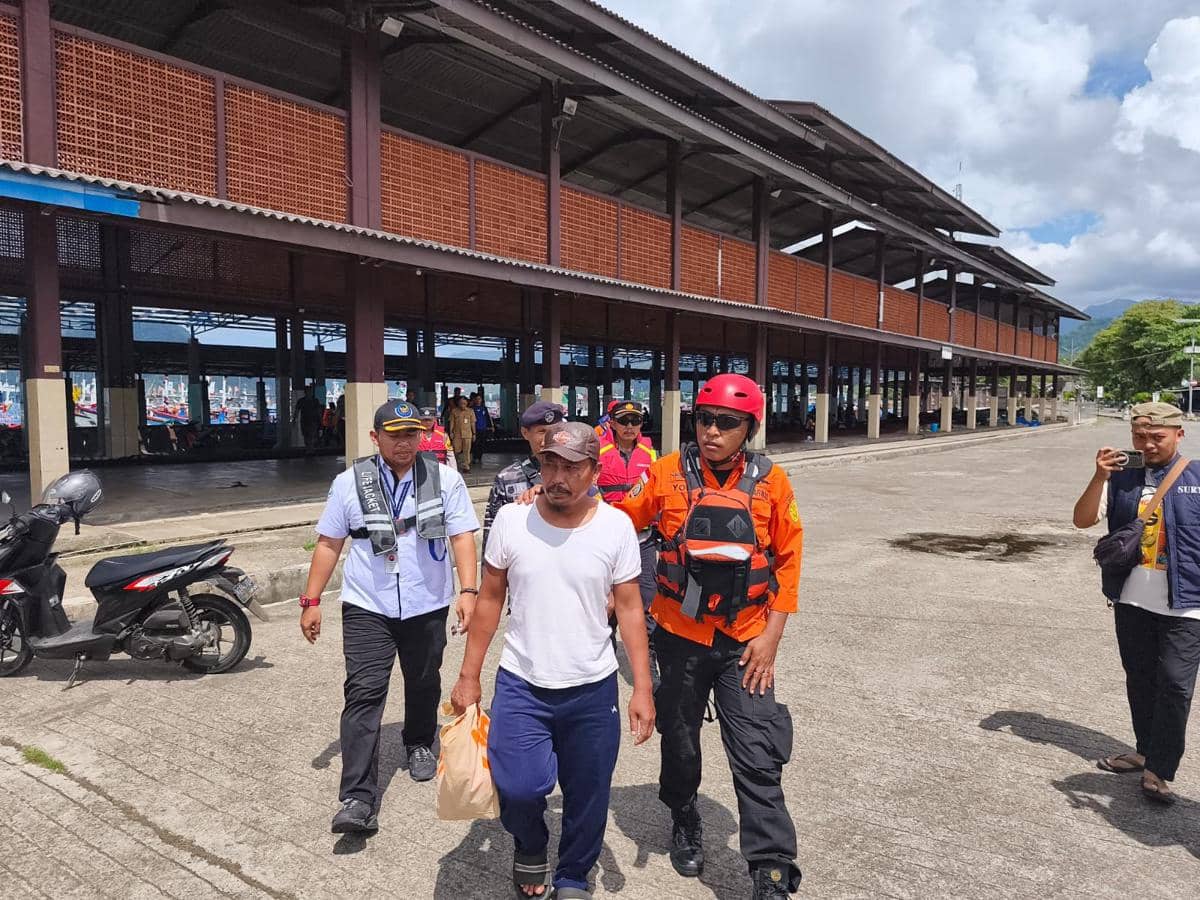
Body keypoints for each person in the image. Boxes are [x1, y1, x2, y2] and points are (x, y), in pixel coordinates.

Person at [616, 373, 804, 898]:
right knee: (679, 743)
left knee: (759, 752)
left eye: (727, 422)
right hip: (678, 636)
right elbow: (616, 518)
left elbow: (789, 562)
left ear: (749, 428)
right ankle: (683, 813)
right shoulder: (665, 473)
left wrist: (771, 638)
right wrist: (553, 496)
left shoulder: (773, 482)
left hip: (746, 643)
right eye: (703, 419)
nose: (712, 431)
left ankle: (770, 869)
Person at [450, 421, 655, 899]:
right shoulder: (512, 521)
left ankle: (571, 875)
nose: (558, 477)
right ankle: (530, 842)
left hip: (593, 685)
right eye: (549, 464)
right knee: (518, 786)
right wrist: (468, 676)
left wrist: (642, 687)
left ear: (594, 471)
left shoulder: (616, 527)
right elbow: (489, 600)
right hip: (523, 682)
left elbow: (628, 608)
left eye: (572, 467)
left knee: (588, 794)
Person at [298, 400, 480, 834]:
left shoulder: (444, 480)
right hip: (367, 605)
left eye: (412, 434)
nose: (405, 443)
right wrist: (311, 599)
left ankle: (419, 741)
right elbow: (329, 543)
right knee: (363, 692)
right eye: (395, 434)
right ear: (375, 437)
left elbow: (462, 536)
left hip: (426, 602)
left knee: (423, 679)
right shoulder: (348, 483)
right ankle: (357, 798)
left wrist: (468, 590)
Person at [1072, 401, 1200, 805]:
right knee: (1140, 679)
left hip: (1188, 604)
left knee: (1176, 687)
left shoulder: (1196, 477)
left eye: (1156, 437)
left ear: (1179, 434)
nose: (1147, 444)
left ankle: (1159, 770)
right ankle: (1146, 751)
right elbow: (1082, 519)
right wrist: (1098, 477)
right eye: (1139, 437)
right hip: (1131, 600)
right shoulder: (1123, 478)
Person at [596, 400, 660, 677]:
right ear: (611, 422)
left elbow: (659, 491)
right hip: (605, 541)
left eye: (636, 421)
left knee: (647, 604)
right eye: (624, 421)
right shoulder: (596, 450)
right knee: (604, 606)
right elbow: (587, 488)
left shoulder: (650, 452)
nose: (630, 426)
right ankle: (603, 665)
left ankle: (649, 668)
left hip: (643, 541)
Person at [481, 400, 563, 554]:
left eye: (554, 432)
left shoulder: (576, 474)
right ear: (525, 433)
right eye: (542, 431)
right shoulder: (507, 479)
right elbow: (492, 536)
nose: (548, 439)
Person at [448, 394, 476, 474]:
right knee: (456, 451)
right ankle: (455, 465)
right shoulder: (454, 411)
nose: (462, 405)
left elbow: (473, 423)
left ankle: (466, 467)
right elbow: (452, 423)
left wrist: (474, 433)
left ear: (467, 403)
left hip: (467, 434)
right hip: (457, 434)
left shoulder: (470, 411)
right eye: (461, 403)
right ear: (458, 403)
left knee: (467, 451)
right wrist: (451, 432)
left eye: (464, 403)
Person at [471, 393, 494, 465]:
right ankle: (475, 457)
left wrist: (491, 426)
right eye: (476, 399)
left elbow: (488, 417)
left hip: (483, 429)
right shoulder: (472, 409)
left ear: (481, 400)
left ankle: (480, 457)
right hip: (475, 429)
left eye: (479, 399)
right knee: (475, 444)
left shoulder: (484, 408)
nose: (478, 400)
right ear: (474, 400)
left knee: (482, 444)